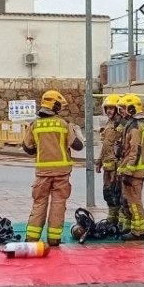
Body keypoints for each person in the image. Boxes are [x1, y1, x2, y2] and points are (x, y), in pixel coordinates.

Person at [22, 90, 84, 246]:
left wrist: (41, 149)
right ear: (54, 106)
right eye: (59, 105)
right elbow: (78, 146)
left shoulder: (34, 125)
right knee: (58, 204)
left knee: (39, 203)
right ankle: (54, 238)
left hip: (42, 173)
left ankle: (32, 237)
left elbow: (27, 148)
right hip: (62, 173)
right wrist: (75, 132)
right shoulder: (63, 124)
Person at [116, 94, 144, 241]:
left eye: (123, 108)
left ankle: (139, 232)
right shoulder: (132, 125)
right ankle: (136, 229)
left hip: (135, 172)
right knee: (132, 201)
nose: (121, 111)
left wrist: (128, 171)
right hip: (135, 171)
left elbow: (134, 151)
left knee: (135, 202)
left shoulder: (135, 127)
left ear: (131, 109)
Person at [96, 94, 125, 225]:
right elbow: (106, 145)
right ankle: (111, 218)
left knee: (116, 194)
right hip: (107, 167)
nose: (109, 111)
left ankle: (118, 220)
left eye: (112, 108)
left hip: (116, 166)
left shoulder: (120, 125)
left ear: (117, 109)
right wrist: (99, 161)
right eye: (107, 108)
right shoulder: (109, 124)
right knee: (108, 193)